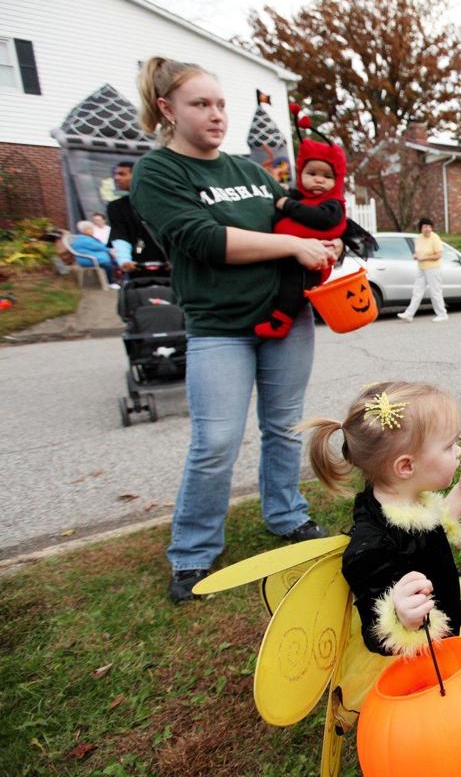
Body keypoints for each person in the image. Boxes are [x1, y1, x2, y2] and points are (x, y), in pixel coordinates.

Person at [130, 56, 342, 603]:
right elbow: (204, 240)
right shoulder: (159, 174)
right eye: (200, 104)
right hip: (219, 327)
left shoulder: (247, 171)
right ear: (166, 109)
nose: (216, 114)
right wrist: (294, 244)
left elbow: (289, 219)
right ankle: (193, 553)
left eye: (221, 103)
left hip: (286, 318)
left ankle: (287, 516)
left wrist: (321, 242)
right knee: (216, 441)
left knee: (283, 427)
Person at [299, 381, 461, 663]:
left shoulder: (406, 496)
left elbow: (431, 525)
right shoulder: (372, 546)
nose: (459, 451)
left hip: (444, 615)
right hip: (415, 657)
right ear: (406, 467)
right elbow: (375, 632)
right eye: (450, 445)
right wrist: (400, 616)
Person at [256, 134, 348, 339]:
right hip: (286, 258)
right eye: (312, 173)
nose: (318, 179)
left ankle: (281, 321)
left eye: (326, 176)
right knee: (284, 285)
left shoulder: (333, 204)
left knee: (293, 289)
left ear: (337, 180)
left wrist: (288, 205)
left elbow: (321, 219)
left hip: (311, 264)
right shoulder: (299, 197)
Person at [107, 161, 168, 271]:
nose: (116, 178)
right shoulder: (116, 206)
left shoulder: (163, 201)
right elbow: (120, 234)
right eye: (115, 174)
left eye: (122, 174)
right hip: (137, 264)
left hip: (170, 263)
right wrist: (124, 260)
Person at [397, 217, 448, 322]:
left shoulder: (435, 238)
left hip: (433, 268)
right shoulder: (419, 238)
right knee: (417, 291)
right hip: (421, 268)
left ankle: (442, 314)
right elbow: (419, 252)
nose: (428, 229)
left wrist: (423, 258)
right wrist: (416, 256)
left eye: (429, 226)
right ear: (421, 228)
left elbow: (438, 255)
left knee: (435, 292)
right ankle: (409, 314)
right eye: (425, 226)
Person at [70, 220, 121, 287]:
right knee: (108, 264)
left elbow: (100, 246)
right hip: (87, 259)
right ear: (84, 230)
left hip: (95, 257)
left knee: (116, 261)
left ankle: (118, 280)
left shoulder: (88, 238)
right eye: (90, 228)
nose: (92, 230)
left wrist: (109, 250)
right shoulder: (83, 239)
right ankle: (111, 282)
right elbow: (99, 247)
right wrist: (110, 250)